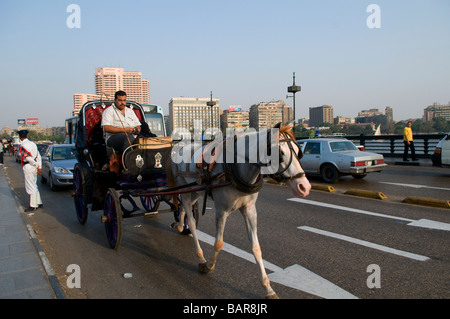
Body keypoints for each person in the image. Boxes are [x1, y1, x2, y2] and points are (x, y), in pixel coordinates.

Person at [18, 130, 43, 212]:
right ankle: (38, 202)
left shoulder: (23, 145)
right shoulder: (33, 144)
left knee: (30, 186)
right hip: (34, 167)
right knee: (34, 184)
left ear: (20, 137)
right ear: (27, 135)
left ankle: (33, 205)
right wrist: (39, 166)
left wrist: (35, 165)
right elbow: (38, 156)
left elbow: (28, 158)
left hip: (29, 166)